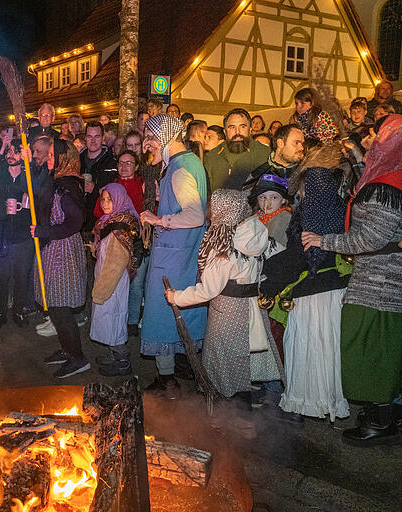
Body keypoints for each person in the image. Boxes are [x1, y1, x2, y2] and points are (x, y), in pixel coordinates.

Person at [302, 114, 402, 445]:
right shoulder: (391, 179)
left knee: (370, 351)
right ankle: (385, 413)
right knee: (384, 350)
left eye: (379, 137)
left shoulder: (386, 187)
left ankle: (381, 420)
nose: (371, 141)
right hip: (387, 280)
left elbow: (369, 237)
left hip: (378, 284)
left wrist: (323, 240)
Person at [261, 141, 351, 423]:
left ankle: (305, 406)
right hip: (329, 285)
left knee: (310, 346)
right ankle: (324, 404)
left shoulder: (316, 193)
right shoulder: (332, 195)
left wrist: (272, 275)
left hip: (314, 287)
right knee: (325, 348)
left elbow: (306, 251)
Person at [165, 190, 283, 403]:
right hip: (250, 307)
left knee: (223, 360)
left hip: (227, 311)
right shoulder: (254, 233)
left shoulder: (222, 245)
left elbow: (209, 289)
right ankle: (248, 405)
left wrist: (177, 297)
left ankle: (231, 411)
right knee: (243, 357)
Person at [139, 114, 208, 398]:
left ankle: (167, 381)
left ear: (165, 138)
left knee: (162, 313)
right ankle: (180, 370)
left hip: (174, 257)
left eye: (151, 139)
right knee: (179, 314)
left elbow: (194, 215)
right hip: (181, 253)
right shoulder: (184, 164)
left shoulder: (181, 168)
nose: (147, 145)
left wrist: (159, 220)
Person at [32, 139, 89, 378]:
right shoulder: (57, 181)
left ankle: (78, 358)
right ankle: (67, 349)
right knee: (54, 305)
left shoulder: (67, 187)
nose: (49, 158)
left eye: (54, 155)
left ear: (66, 158)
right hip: (53, 247)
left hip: (62, 250)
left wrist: (45, 232)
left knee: (61, 306)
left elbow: (75, 221)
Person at [90, 183, 141, 376]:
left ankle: (122, 362)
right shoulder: (108, 220)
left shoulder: (120, 225)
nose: (105, 203)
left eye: (109, 199)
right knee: (107, 320)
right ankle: (113, 355)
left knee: (114, 320)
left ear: (119, 199)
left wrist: (101, 291)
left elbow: (116, 262)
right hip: (105, 278)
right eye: (102, 199)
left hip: (112, 282)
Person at [0, 141, 36, 328]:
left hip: (24, 236)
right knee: (1, 277)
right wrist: (2, 208)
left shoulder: (29, 176)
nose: (11, 154)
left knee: (21, 276)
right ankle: (1, 312)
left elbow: (40, 198)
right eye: (9, 151)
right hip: (3, 237)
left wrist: (25, 207)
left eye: (16, 152)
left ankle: (19, 310)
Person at [204, 108, 272, 191]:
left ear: (250, 130)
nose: (237, 132)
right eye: (232, 127)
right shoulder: (213, 156)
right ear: (225, 132)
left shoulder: (265, 154)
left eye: (242, 127)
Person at [80, 121, 118, 231]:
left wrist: (96, 188)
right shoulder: (78, 160)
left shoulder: (111, 162)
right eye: (89, 136)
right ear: (85, 138)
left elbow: (114, 192)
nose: (93, 141)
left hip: (100, 220)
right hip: (80, 220)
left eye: (96, 136)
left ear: (102, 138)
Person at [245, 124, 305, 189]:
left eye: (302, 144)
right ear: (280, 143)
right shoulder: (258, 174)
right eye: (296, 143)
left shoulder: (305, 174)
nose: (301, 148)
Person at [251, 173, 292, 246]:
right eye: (262, 197)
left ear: (283, 200)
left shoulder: (284, 218)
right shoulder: (258, 215)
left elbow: (272, 248)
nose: (267, 203)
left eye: (273, 198)